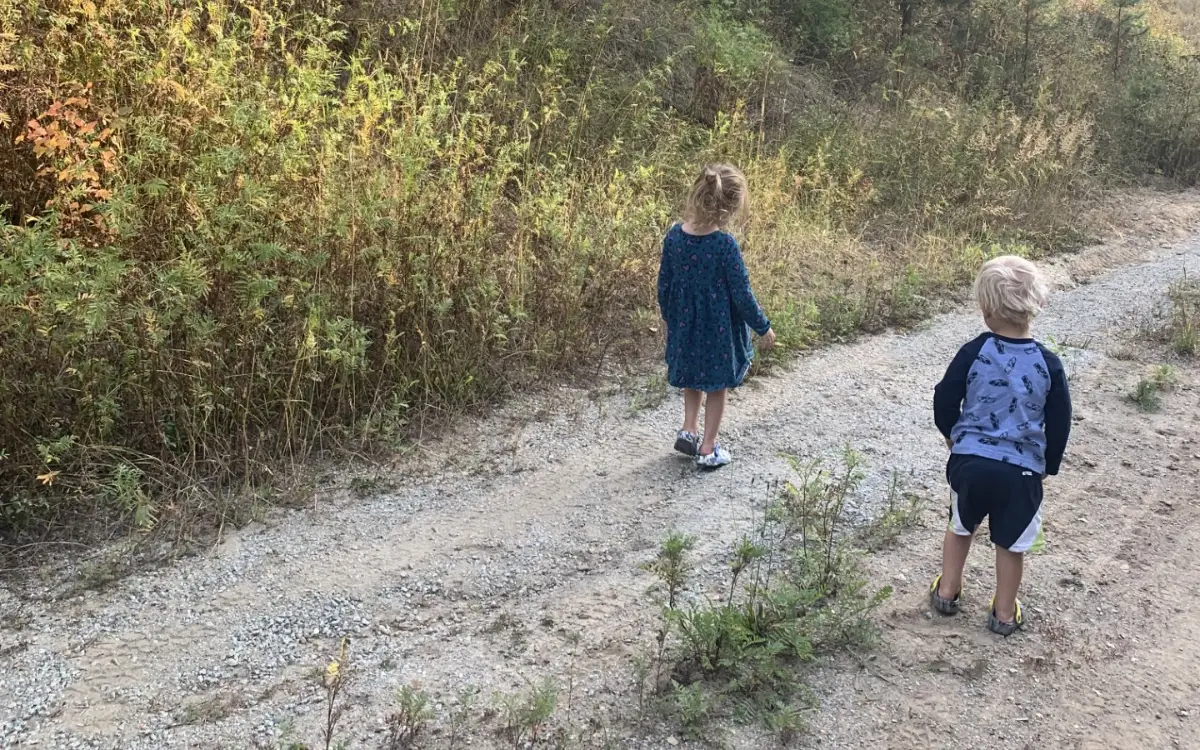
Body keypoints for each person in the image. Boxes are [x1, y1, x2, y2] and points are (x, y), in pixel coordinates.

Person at [930, 255, 1072, 635]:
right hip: (1021, 469)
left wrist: (950, 433)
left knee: (961, 525)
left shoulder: (974, 351)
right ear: (1036, 305)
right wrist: (1048, 464)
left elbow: (945, 396)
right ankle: (1005, 613)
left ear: (986, 308)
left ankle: (947, 591)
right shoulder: (1049, 364)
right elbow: (1060, 421)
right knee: (1011, 543)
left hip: (970, 463)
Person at [656, 164, 776, 469]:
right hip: (718, 331)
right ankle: (708, 449)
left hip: (685, 325)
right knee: (717, 386)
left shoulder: (674, 237)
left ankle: (689, 429)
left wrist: (672, 318)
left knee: (693, 378)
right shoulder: (724, 246)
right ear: (731, 207)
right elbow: (741, 294)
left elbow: (665, 284)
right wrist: (762, 327)